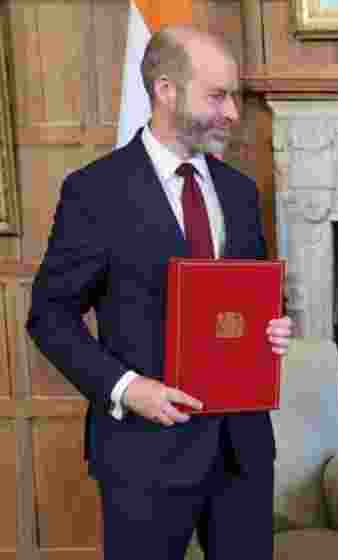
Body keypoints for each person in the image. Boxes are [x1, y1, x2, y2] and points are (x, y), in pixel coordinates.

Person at [26, 26, 293, 560]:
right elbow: (49, 317)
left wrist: (274, 325)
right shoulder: (94, 191)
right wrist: (127, 388)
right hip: (143, 456)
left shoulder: (239, 192)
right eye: (217, 96)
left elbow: (248, 301)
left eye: (234, 97)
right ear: (166, 91)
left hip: (241, 451)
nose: (233, 114)